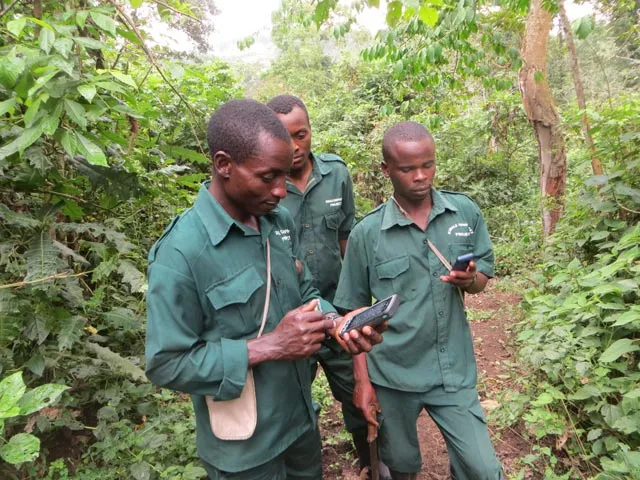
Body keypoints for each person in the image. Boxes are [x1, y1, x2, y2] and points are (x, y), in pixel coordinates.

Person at [145, 99, 383, 479]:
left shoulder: (276, 221)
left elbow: (305, 293)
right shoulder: (181, 252)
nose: (280, 190)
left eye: (284, 176)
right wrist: (271, 345)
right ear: (224, 165)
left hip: (300, 427)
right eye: (268, 177)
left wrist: (337, 322)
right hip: (246, 452)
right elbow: (166, 363)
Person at [333, 121, 503, 480]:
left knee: (483, 469)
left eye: (428, 165)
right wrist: (363, 383)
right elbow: (352, 312)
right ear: (386, 169)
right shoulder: (368, 234)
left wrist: (470, 278)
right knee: (402, 467)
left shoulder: (464, 213)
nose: (421, 176)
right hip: (393, 375)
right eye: (408, 169)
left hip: (451, 370)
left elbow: (483, 277)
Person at [266, 95, 377, 476]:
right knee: (290, 405)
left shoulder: (336, 174)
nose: (295, 146)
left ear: (311, 131)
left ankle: (370, 460)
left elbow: (346, 239)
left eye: (301, 134)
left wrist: (354, 301)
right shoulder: (266, 188)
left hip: (337, 308)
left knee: (357, 392)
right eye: (284, 137)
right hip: (291, 322)